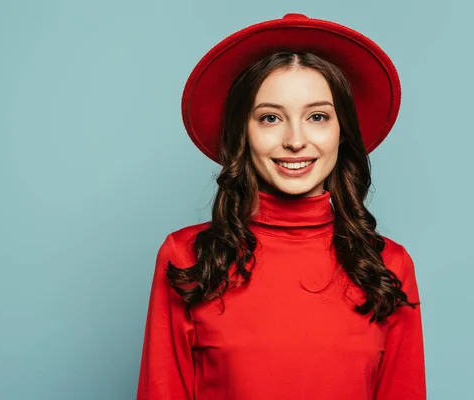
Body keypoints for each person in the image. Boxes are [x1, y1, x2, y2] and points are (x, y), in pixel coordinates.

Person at [136, 13, 426, 400]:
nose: (295, 140)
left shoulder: (389, 265)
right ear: (244, 132)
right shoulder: (189, 257)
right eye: (271, 118)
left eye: (318, 117)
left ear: (342, 133)